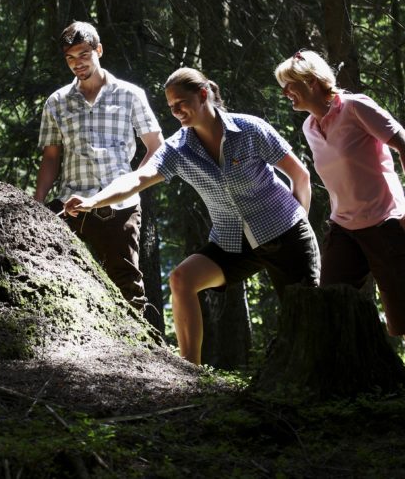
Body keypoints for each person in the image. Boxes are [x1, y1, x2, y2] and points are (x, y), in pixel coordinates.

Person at [64, 68, 320, 364]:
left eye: (181, 103)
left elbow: (300, 176)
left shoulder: (249, 129)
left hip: (285, 232)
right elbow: (137, 179)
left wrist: (299, 224)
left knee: (307, 318)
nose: (176, 111)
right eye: (171, 107)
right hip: (233, 241)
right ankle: (191, 373)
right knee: (183, 279)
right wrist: (93, 200)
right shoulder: (177, 148)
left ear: (203, 94)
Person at [274, 50, 405, 377]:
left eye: (289, 85)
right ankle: (342, 392)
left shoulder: (355, 107)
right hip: (344, 230)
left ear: (311, 81)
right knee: (330, 312)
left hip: (388, 225)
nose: (285, 93)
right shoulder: (310, 127)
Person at [35, 21, 163, 314]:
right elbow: (51, 157)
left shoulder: (130, 94)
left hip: (118, 205)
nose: (77, 63)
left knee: (126, 283)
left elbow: (156, 147)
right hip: (70, 204)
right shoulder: (56, 102)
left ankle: (140, 353)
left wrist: (132, 183)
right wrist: (37, 203)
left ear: (99, 50)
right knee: (55, 275)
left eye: (83, 55)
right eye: (70, 58)